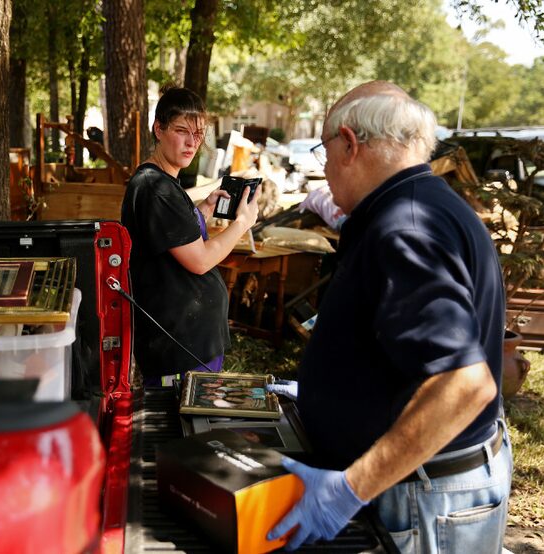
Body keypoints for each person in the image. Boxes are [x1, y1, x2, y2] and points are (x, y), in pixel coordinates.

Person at [266, 81, 512, 553]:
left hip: (426, 496)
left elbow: (464, 382)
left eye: (324, 149)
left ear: (350, 144)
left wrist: (350, 489)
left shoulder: (406, 227)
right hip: (430, 482)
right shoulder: (424, 205)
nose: (324, 167)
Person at [121, 86, 260, 385]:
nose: (191, 142)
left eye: (198, 134)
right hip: (178, 345)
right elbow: (199, 260)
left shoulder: (163, 182)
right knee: (183, 428)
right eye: (182, 130)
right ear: (158, 129)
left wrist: (204, 210)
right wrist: (241, 224)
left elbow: (170, 236)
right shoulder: (153, 188)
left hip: (191, 340)